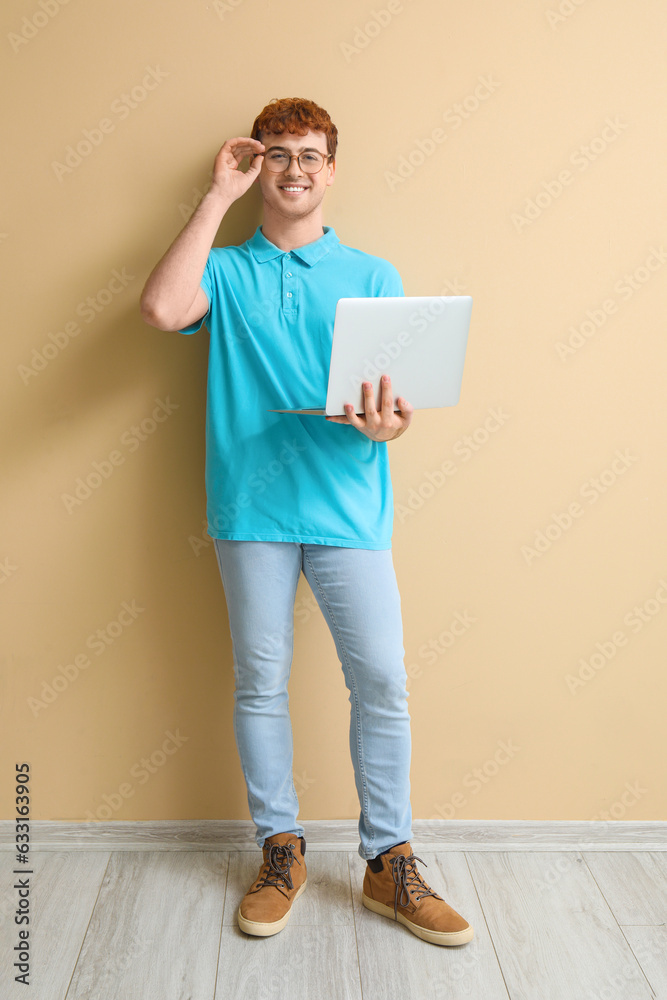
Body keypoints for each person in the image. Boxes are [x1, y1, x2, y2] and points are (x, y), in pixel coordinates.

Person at [140, 96, 473, 947]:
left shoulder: (372, 275)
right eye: (277, 154)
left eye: (309, 155)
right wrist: (215, 197)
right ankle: (278, 848)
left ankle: (386, 861)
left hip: (347, 508)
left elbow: (397, 415)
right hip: (249, 509)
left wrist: (383, 424)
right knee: (260, 682)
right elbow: (161, 311)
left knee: (383, 682)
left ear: (332, 169)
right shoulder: (226, 269)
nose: (293, 168)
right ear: (259, 166)